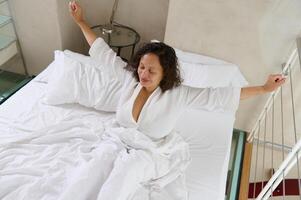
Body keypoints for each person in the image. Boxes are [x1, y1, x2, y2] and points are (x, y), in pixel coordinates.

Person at [65, 1, 286, 200]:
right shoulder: (129, 79)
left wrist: (264, 88)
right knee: (91, 171)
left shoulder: (179, 94)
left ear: (165, 72)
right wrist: (81, 21)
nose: (144, 74)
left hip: (150, 152)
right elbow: (102, 52)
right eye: (142, 67)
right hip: (117, 141)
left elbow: (220, 96)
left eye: (152, 70)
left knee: (122, 177)